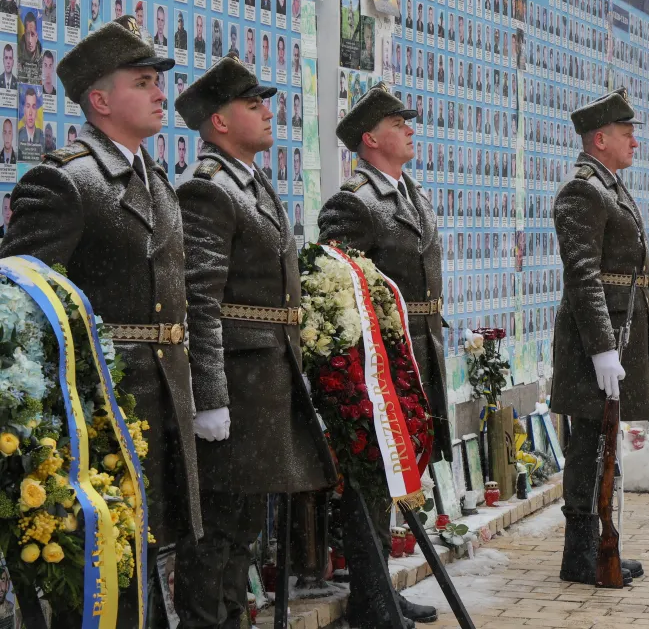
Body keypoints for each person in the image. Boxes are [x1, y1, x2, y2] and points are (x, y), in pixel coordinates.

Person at [0, 15, 202, 628]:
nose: (161, 93)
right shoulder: (65, 181)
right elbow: (18, 311)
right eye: (143, 81)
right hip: (97, 418)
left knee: (144, 558)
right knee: (95, 574)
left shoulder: (155, 179)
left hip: (158, 401)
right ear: (100, 99)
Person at [173, 54, 336, 629]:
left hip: (264, 379)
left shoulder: (250, 183)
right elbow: (200, 300)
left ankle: (232, 620)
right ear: (219, 122)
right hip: (236, 385)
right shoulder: (208, 190)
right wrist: (210, 395)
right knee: (214, 529)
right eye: (252, 103)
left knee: (242, 525)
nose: (268, 112)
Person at [318, 82, 447, 628]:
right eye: (398, 123)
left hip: (420, 349)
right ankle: (370, 602)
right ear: (370, 139)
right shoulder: (355, 201)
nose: (410, 128)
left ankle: (383, 592)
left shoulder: (406, 191)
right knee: (372, 478)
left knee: (395, 476)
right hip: (381, 360)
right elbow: (338, 285)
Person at [551, 88, 649, 586]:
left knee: (603, 443)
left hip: (619, 333)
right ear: (601, 138)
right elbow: (583, 275)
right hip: (594, 341)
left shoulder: (609, 186)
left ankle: (596, 542)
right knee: (590, 444)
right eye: (626, 133)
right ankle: (581, 551)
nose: (635, 141)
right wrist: (601, 347)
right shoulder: (583, 190)